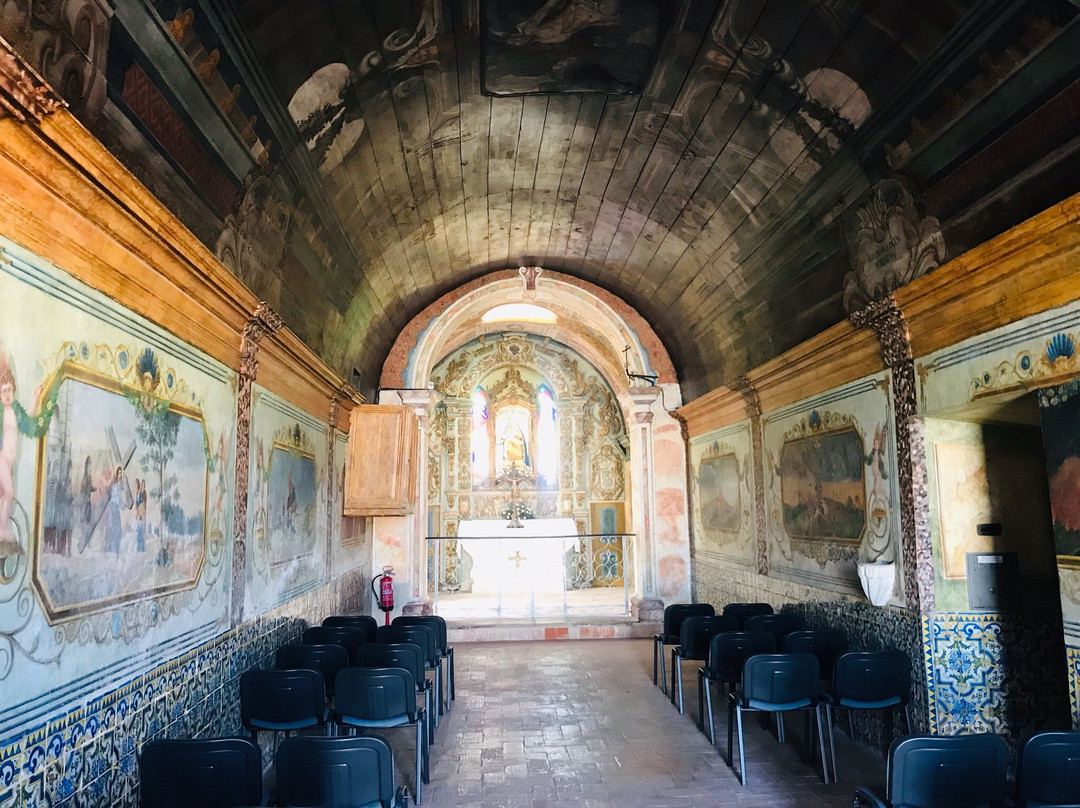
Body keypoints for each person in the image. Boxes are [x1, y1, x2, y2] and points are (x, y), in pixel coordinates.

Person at [134, 479, 147, 552]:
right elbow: (136, 504)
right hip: (139, 513)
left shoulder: (144, 493)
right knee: (138, 531)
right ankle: (139, 548)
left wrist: (142, 513)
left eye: (144, 484)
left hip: (142, 513)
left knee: (142, 531)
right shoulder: (137, 492)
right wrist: (137, 513)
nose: (143, 486)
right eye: (142, 484)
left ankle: (142, 548)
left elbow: (144, 504)